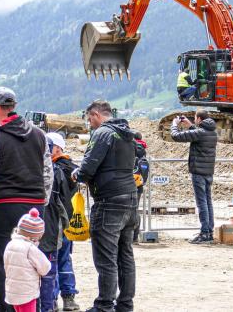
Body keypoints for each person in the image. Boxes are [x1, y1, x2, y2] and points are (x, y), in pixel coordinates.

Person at [0, 87, 53, 312]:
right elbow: (48, 175)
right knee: (32, 265)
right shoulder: (40, 135)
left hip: (3, 208)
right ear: (15, 106)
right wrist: (42, 205)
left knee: (1, 266)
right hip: (34, 208)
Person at [72, 99, 137, 312]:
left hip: (108, 201)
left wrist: (78, 174)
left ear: (96, 115)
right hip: (129, 199)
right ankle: (125, 304)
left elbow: (88, 166)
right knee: (125, 255)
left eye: (89, 118)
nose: (89, 123)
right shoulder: (127, 133)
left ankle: (104, 305)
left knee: (106, 257)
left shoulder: (102, 134)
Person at [170, 110, 218, 244]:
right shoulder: (212, 132)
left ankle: (204, 233)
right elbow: (198, 134)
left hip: (198, 172)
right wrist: (190, 125)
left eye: (195, 119)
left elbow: (176, 136)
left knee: (201, 203)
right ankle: (209, 232)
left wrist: (174, 124)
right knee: (208, 202)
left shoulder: (200, 133)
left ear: (199, 119)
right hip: (209, 172)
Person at [39, 133, 73, 312]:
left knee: (51, 263)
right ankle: (57, 300)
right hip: (57, 224)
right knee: (59, 262)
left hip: (50, 224)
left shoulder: (56, 169)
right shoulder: (65, 168)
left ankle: (52, 301)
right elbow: (65, 201)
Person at [50, 134, 80, 312]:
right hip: (67, 220)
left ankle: (51, 298)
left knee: (52, 259)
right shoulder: (73, 169)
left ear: (57, 148)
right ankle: (69, 298)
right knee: (65, 259)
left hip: (55, 220)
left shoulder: (54, 168)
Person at [3, 208, 51, 312]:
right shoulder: (30, 248)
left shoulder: (10, 244)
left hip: (12, 291)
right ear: (36, 236)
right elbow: (45, 268)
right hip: (27, 293)